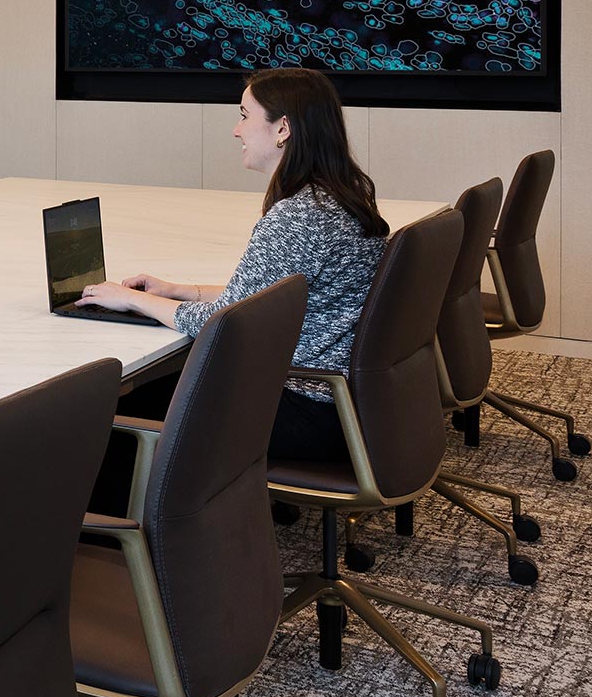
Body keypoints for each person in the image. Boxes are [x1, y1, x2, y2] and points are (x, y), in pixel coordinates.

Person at [76, 67, 390, 460]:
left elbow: (228, 321)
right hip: (343, 405)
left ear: (283, 129)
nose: (236, 131)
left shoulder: (298, 217)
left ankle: (128, 519)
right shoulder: (335, 198)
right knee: (166, 384)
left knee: (112, 411)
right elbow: (261, 298)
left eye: (244, 116)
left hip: (305, 407)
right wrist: (176, 291)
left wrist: (132, 300)